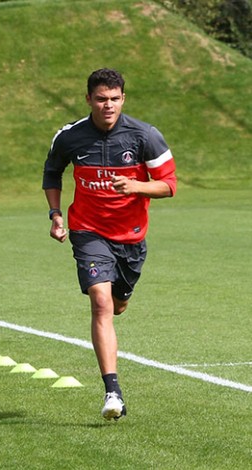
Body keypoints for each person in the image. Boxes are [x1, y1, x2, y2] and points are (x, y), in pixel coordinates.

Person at [42, 68, 177, 420]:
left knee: (117, 306)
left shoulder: (144, 136)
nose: (108, 105)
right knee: (101, 303)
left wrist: (137, 187)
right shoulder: (70, 137)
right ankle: (112, 391)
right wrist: (55, 213)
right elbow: (52, 171)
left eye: (114, 99)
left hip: (131, 238)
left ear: (123, 99)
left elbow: (169, 184)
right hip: (88, 231)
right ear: (88, 99)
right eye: (101, 99)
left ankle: (124, 295)